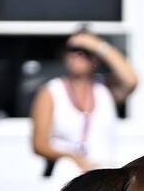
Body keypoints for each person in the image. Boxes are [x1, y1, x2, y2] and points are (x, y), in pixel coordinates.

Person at [30, 27, 138, 177]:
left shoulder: (105, 89)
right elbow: (39, 144)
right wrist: (73, 156)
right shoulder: (51, 91)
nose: (78, 54)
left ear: (96, 58)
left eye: (85, 51)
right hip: (66, 178)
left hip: (105, 176)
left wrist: (98, 45)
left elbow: (131, 80)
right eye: (72, 50)